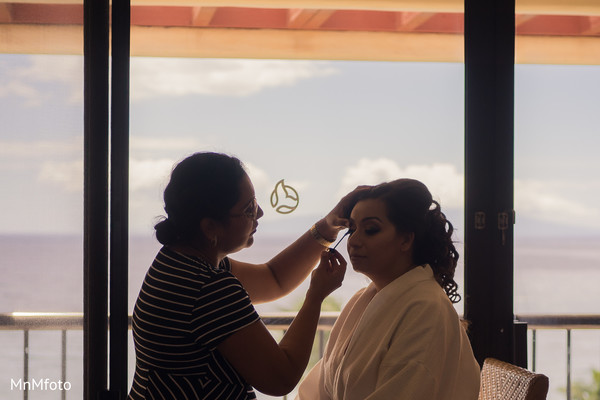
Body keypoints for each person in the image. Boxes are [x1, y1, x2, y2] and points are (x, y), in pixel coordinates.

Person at [128, 152, 365, 400]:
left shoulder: (177, 263)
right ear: (210, 227)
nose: (260, 213)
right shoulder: (209, 288)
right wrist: (316, 296)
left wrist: (328, 226)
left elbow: (274, 279)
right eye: (249, 208)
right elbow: (280, 378)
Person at [296, 178, 481, 400]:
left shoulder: (426, 309)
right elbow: (318, 390)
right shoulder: (364, 300)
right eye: (352, 230)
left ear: (406, 239)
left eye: (371, 230)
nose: (353, 241)